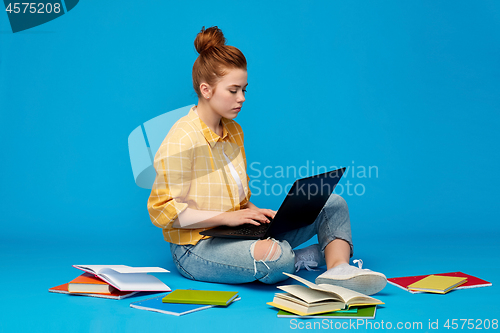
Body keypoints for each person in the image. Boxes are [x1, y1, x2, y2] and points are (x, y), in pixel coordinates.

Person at [147, 26, 387, 295]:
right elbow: (163, 212)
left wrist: (255, 213)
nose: (242, 99)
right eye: (233, 90)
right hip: (195, 248)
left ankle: (338, 270)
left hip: (236, 233)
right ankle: (299, 258)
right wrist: (230, 218)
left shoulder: (234, 131)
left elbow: (237, 199)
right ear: (206, 90)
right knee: (277, 257)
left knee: (332, 203)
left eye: (244, 90)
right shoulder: (182, 138)